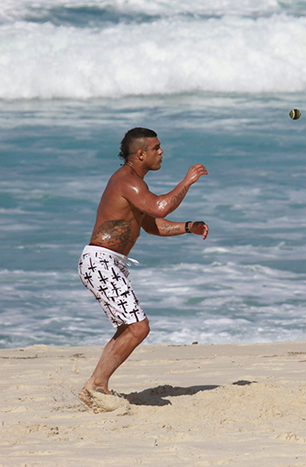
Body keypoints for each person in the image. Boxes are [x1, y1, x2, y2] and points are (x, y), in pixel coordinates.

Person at [77, 127, 209, 409]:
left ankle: (96, 386)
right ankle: (96, 386)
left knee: (130, 327)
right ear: (140, 154)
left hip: (106, 263)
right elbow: (160, 207)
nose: (162, 152)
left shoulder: (135, 184)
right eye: (156, 148)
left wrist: (187, 227)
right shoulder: (128, 182)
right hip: (100, 261)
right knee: (138, 327)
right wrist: (187, 181)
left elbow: (152, 224)